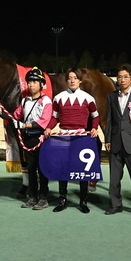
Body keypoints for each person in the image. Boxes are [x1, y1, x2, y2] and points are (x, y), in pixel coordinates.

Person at [44, 67, 100, 214]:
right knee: (63, 169)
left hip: (81, 137)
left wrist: (94, 128)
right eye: (69, 78)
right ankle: (62, 200)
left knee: (82, 170)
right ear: (66, 81)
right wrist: (49, 127)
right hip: (63, 137)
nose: (72, 80)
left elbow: (95, 116)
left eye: (75, 78)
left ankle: (83, 201)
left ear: (80, 80)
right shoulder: (59, 98)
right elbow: (55, 117)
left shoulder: (88, 98)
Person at [0, 67, 53, 210]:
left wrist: (24, 125)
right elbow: (15, 116)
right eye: (29, 82)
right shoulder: (25, 101)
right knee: (31, 169)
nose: (31, 84)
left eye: (35, 82)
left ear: (41, 84)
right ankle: (32, 196)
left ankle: (43, 198)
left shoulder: (46, 101)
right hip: (28, 139)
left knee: (42, 169)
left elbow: (43, 122)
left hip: (40, 138)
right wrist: (0, 112)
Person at [103, 63, 131, 218]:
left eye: (125, 77)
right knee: (114, 177)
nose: (122, 80)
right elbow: (109, 120)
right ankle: (115, 204)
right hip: (115, 142)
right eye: (119, 77)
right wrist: (107, 139)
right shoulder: (111, 97)